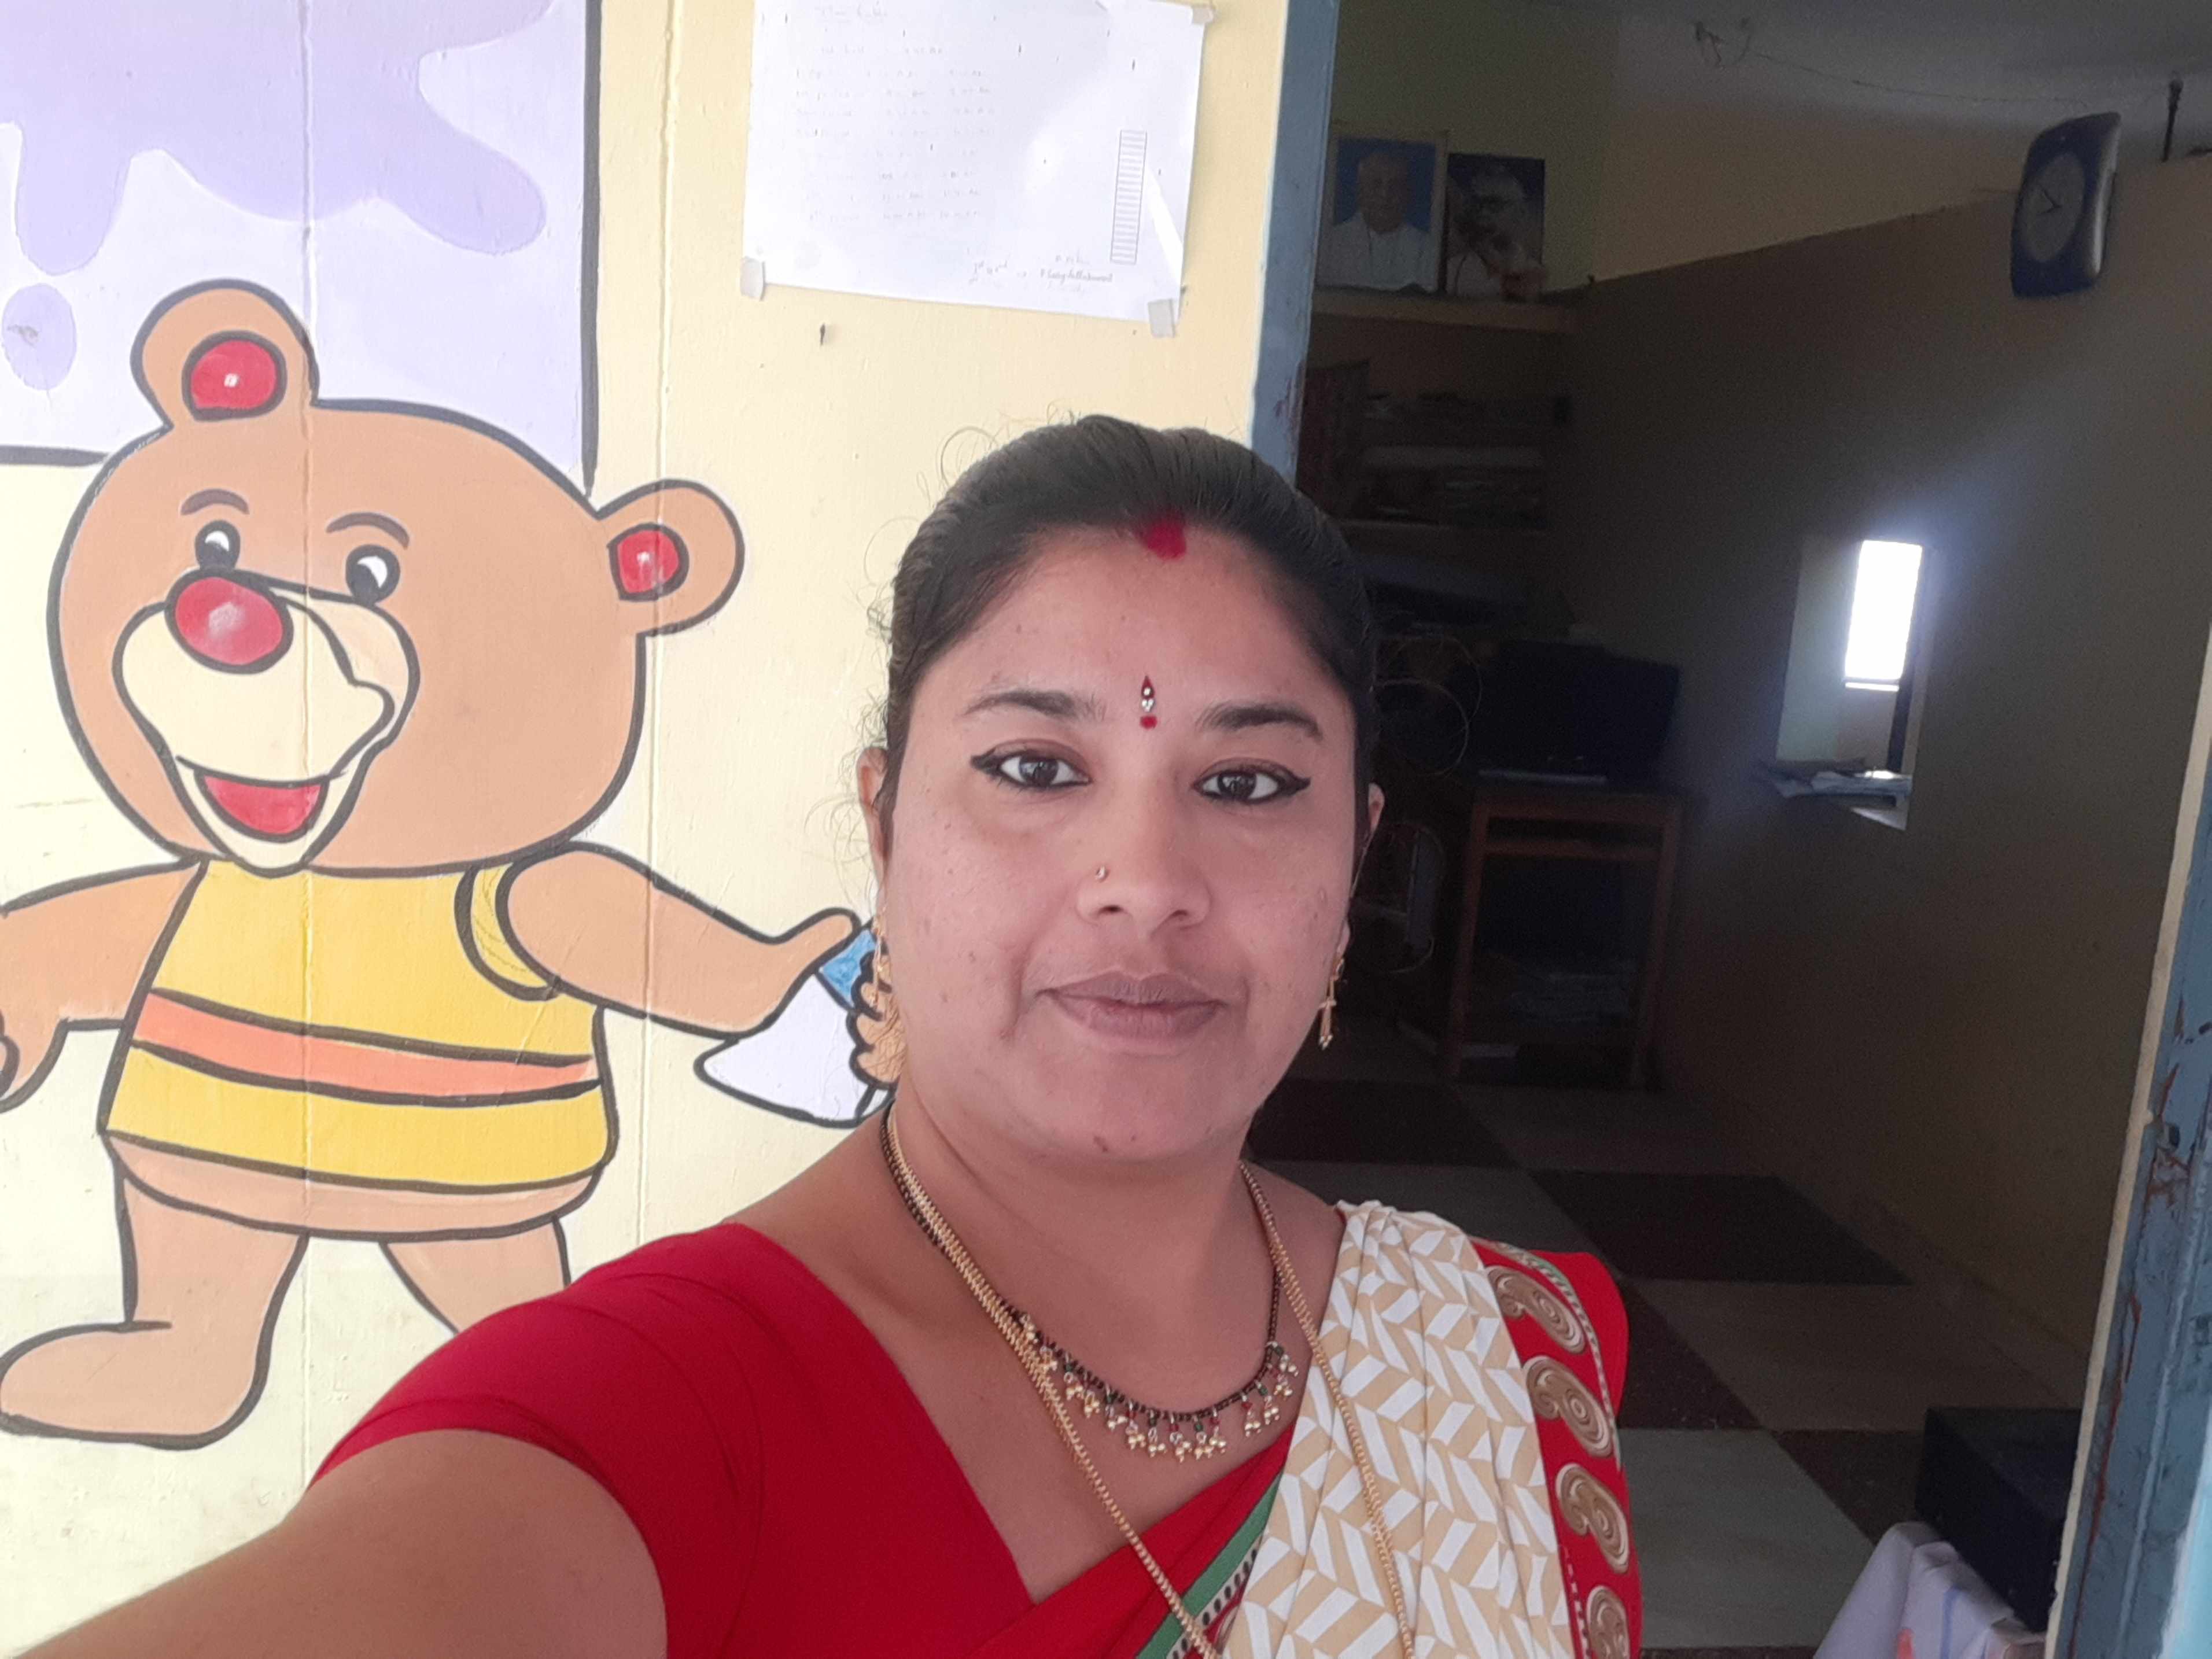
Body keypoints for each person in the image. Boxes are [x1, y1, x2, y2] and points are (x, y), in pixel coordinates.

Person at [27, 419, 1639, 1659]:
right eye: (1034, 768)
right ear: (883, 826)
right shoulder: (655, 1414)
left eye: (1248, 782)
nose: (1144, 880)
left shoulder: (1497, 1358)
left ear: (1357, 850)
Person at [1317, 148, 1437, 293]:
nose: (1385, 195)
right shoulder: (1333, 243)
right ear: (1361, 191)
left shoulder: (1425, 249)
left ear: (1406, 193)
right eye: (1376, 184)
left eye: (1394, 186)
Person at [1444, 161, 1548, 302]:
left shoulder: (1536, 276)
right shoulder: (1452, 270)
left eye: (1494, 204)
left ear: (1520, 212)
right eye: (1478, 205)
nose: (1484, 213)